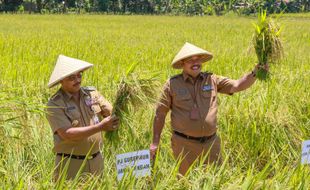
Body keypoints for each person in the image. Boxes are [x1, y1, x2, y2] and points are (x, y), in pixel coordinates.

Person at [150, 42, 268, 175]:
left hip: (211, 145)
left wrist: (255, 72)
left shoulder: (212, 79)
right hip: (184, 145)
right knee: (184, 182)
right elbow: (160, 113)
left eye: (198, 59)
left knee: (214, 180)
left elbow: (237, 85)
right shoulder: (172, 84)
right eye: (190, 60)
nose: (195, 63)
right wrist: (155, 142)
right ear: (182, 63)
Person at [46, 55, 119, 180]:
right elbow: (68, 134)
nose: (77, 80)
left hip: (97, 162)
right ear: (61, 81)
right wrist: (101, 126)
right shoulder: (55, 104)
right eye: (71, 77)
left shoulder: (91, 94)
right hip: (70, 165)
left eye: (79, 75)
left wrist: (117, 106)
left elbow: (112, 113)